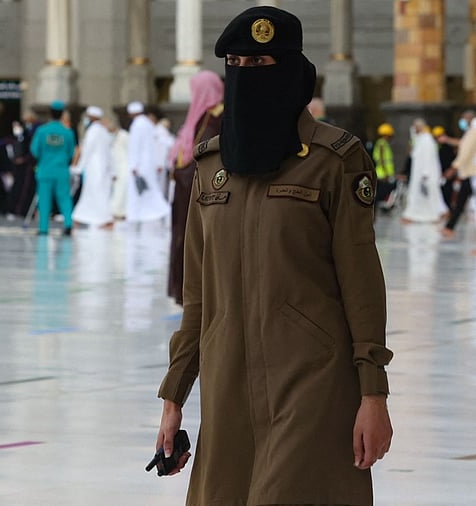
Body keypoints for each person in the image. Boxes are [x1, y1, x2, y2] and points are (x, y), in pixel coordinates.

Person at [155, 7, 393, 505]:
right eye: (236, 63)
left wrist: (373, 394)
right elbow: (199, 297)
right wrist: (174, 395)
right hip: (227, 389)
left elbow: (362, 285)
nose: (246, 74)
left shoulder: (335, 162)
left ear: (290, 70)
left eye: (260, 62)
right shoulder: (212, 168)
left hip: (313, 383)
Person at [166, 70, 223, 305]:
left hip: (203, 193)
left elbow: (205, 156)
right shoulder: (201, 117)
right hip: (186, 190)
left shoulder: (218, 118)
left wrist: (182, 173)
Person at [30, 101, 76, 235]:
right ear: (62, 114)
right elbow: (71, 153)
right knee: (65, 199)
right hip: (61, 171)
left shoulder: (42, 131)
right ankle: (68, 224)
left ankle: (43, 228)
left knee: (44, 200)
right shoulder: (67, 132)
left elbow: (34, 150)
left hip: (45, 170)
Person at [125, 102, 170, 224]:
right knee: (148, 189)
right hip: (149, 163)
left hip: (140, 165)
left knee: (142, 190)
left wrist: (134, 165)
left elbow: (135, 146)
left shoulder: (137, 125)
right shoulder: (148, 124)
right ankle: (141, 215)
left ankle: (161, 210)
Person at [71, 106, 113, 229]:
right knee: (96, 193)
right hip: (103, 167)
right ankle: (81, 217)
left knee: (94, 193)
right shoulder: (104, 131)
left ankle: (104, 218)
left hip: (94, 167)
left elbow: (87, 151)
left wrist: (79, 167)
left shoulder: (93, 131)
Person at [401, 118, 447, 223]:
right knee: (417, 195)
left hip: (426, 174)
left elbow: (427, 157)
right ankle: (411, 216)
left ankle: (434, 215)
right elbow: (413, 154)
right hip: (418, 173)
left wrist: (425, 173)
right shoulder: (420, 139)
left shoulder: (427, 139)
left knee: (429, 195)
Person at [442, 110, 476, 237]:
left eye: (464, 119)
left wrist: (453, 168)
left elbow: (465, 153)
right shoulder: (471, 132)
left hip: (472, 174)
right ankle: (449, 227)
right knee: (461, 201)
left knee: (462, 202)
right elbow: (463, 144)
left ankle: (449, 227)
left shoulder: (473, 132)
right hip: (469, 174)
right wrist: (448, 140)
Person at [372, 122, 396, 209]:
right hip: (382, 174)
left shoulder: (382, 143)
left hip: (383, 173)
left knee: (381, 194)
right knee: (380, 195)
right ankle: (374, 212)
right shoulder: (382, 144)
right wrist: (385, 172)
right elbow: (381, 159)